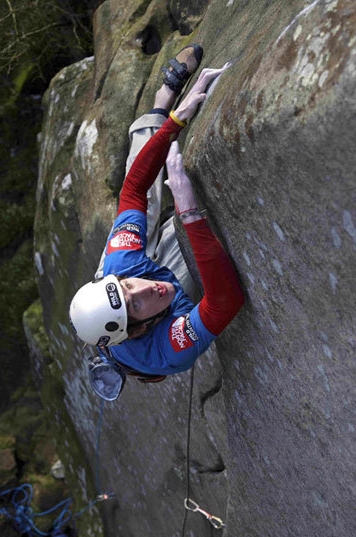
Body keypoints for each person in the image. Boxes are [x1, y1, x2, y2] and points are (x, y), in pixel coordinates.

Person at [70, 45, 244, 385]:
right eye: (136, 306)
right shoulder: (167, 350)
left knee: (143, 201)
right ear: (138, 330)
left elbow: (133, 191)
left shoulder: (121, 268)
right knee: (195, 240)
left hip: (118, 283)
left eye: (130, 287)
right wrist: (189, 212)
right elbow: (224, 302)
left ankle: (161, 102)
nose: (147, 290)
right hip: (156, 333)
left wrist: (175, 121)